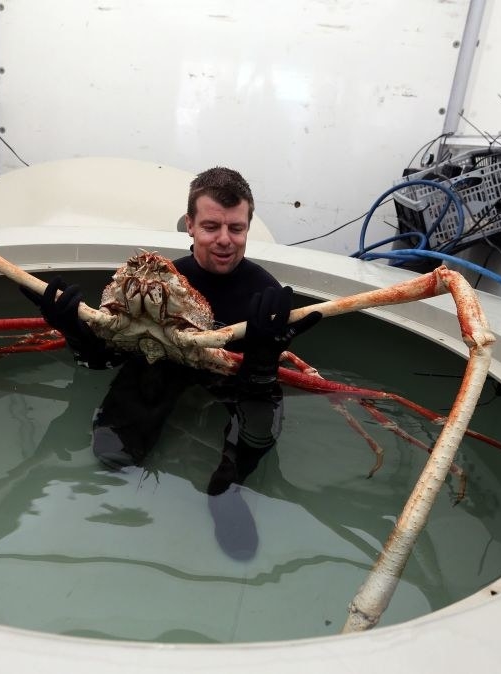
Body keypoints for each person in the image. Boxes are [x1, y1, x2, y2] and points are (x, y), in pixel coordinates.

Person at [24, 167, 321, 560]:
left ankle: (229, 488)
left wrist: (264, 357)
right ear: (190, 226)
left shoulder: (261, 294)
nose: (224, 240)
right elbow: (105, 359)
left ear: (247, 227)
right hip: (164, 361)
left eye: (236, 228)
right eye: (211, 226)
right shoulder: (164, 279)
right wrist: (73, 330)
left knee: (257, 419)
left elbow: (261, 387)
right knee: (112, 453)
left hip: (233, 376)